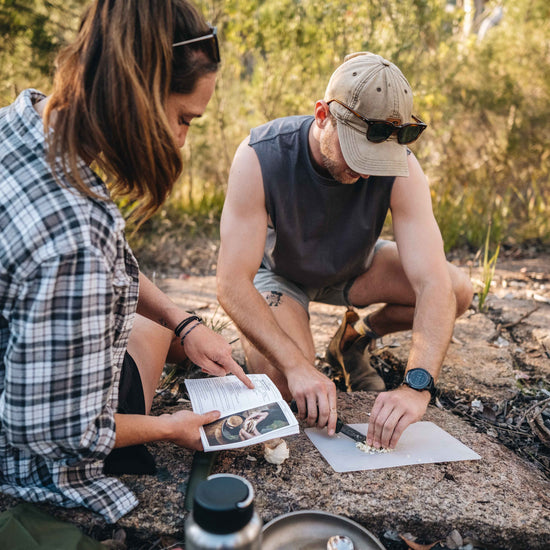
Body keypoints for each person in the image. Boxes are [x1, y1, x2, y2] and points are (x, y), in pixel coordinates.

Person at [0, 0, 252, 523]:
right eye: (184, 118)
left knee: (157, 325)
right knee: (149, 334)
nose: (182, 140)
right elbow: (64, 432)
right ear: (140, 93)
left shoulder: (24, 122)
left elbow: (108, 264)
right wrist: (172, 427)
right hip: (31, 462)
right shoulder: (74, 240)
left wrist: (185, 323)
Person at [217, 52, 473, 452]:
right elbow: (231, 284)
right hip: (283, 276)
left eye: (379, 157)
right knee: (286, 384)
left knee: (457, 290)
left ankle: (355, 340)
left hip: (357, 269)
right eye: (358, 152)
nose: (368, 171)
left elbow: (432, 282)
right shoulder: (259, 157)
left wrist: (416, 385)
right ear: (323, 114)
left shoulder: (402, 169)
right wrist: (300, 366)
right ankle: (306, 354)